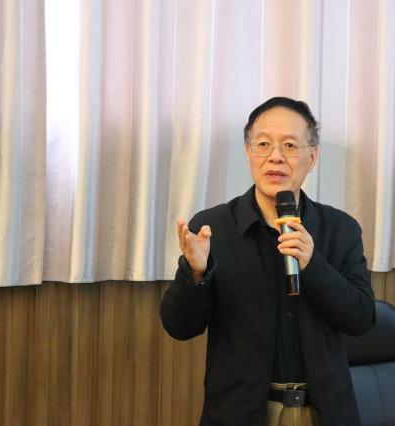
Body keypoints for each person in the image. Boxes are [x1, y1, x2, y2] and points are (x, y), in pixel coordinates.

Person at [161, 97, 375, 426]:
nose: (275, 156)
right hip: (240, 414)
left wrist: (313, 265)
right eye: (263, 144)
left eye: (289, 145)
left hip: (323, 412)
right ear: (248, 152)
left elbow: (361, 319)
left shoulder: (340, 229)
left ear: (312, 157)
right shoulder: (212, 228)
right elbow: (179, 327)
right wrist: (196, 273)